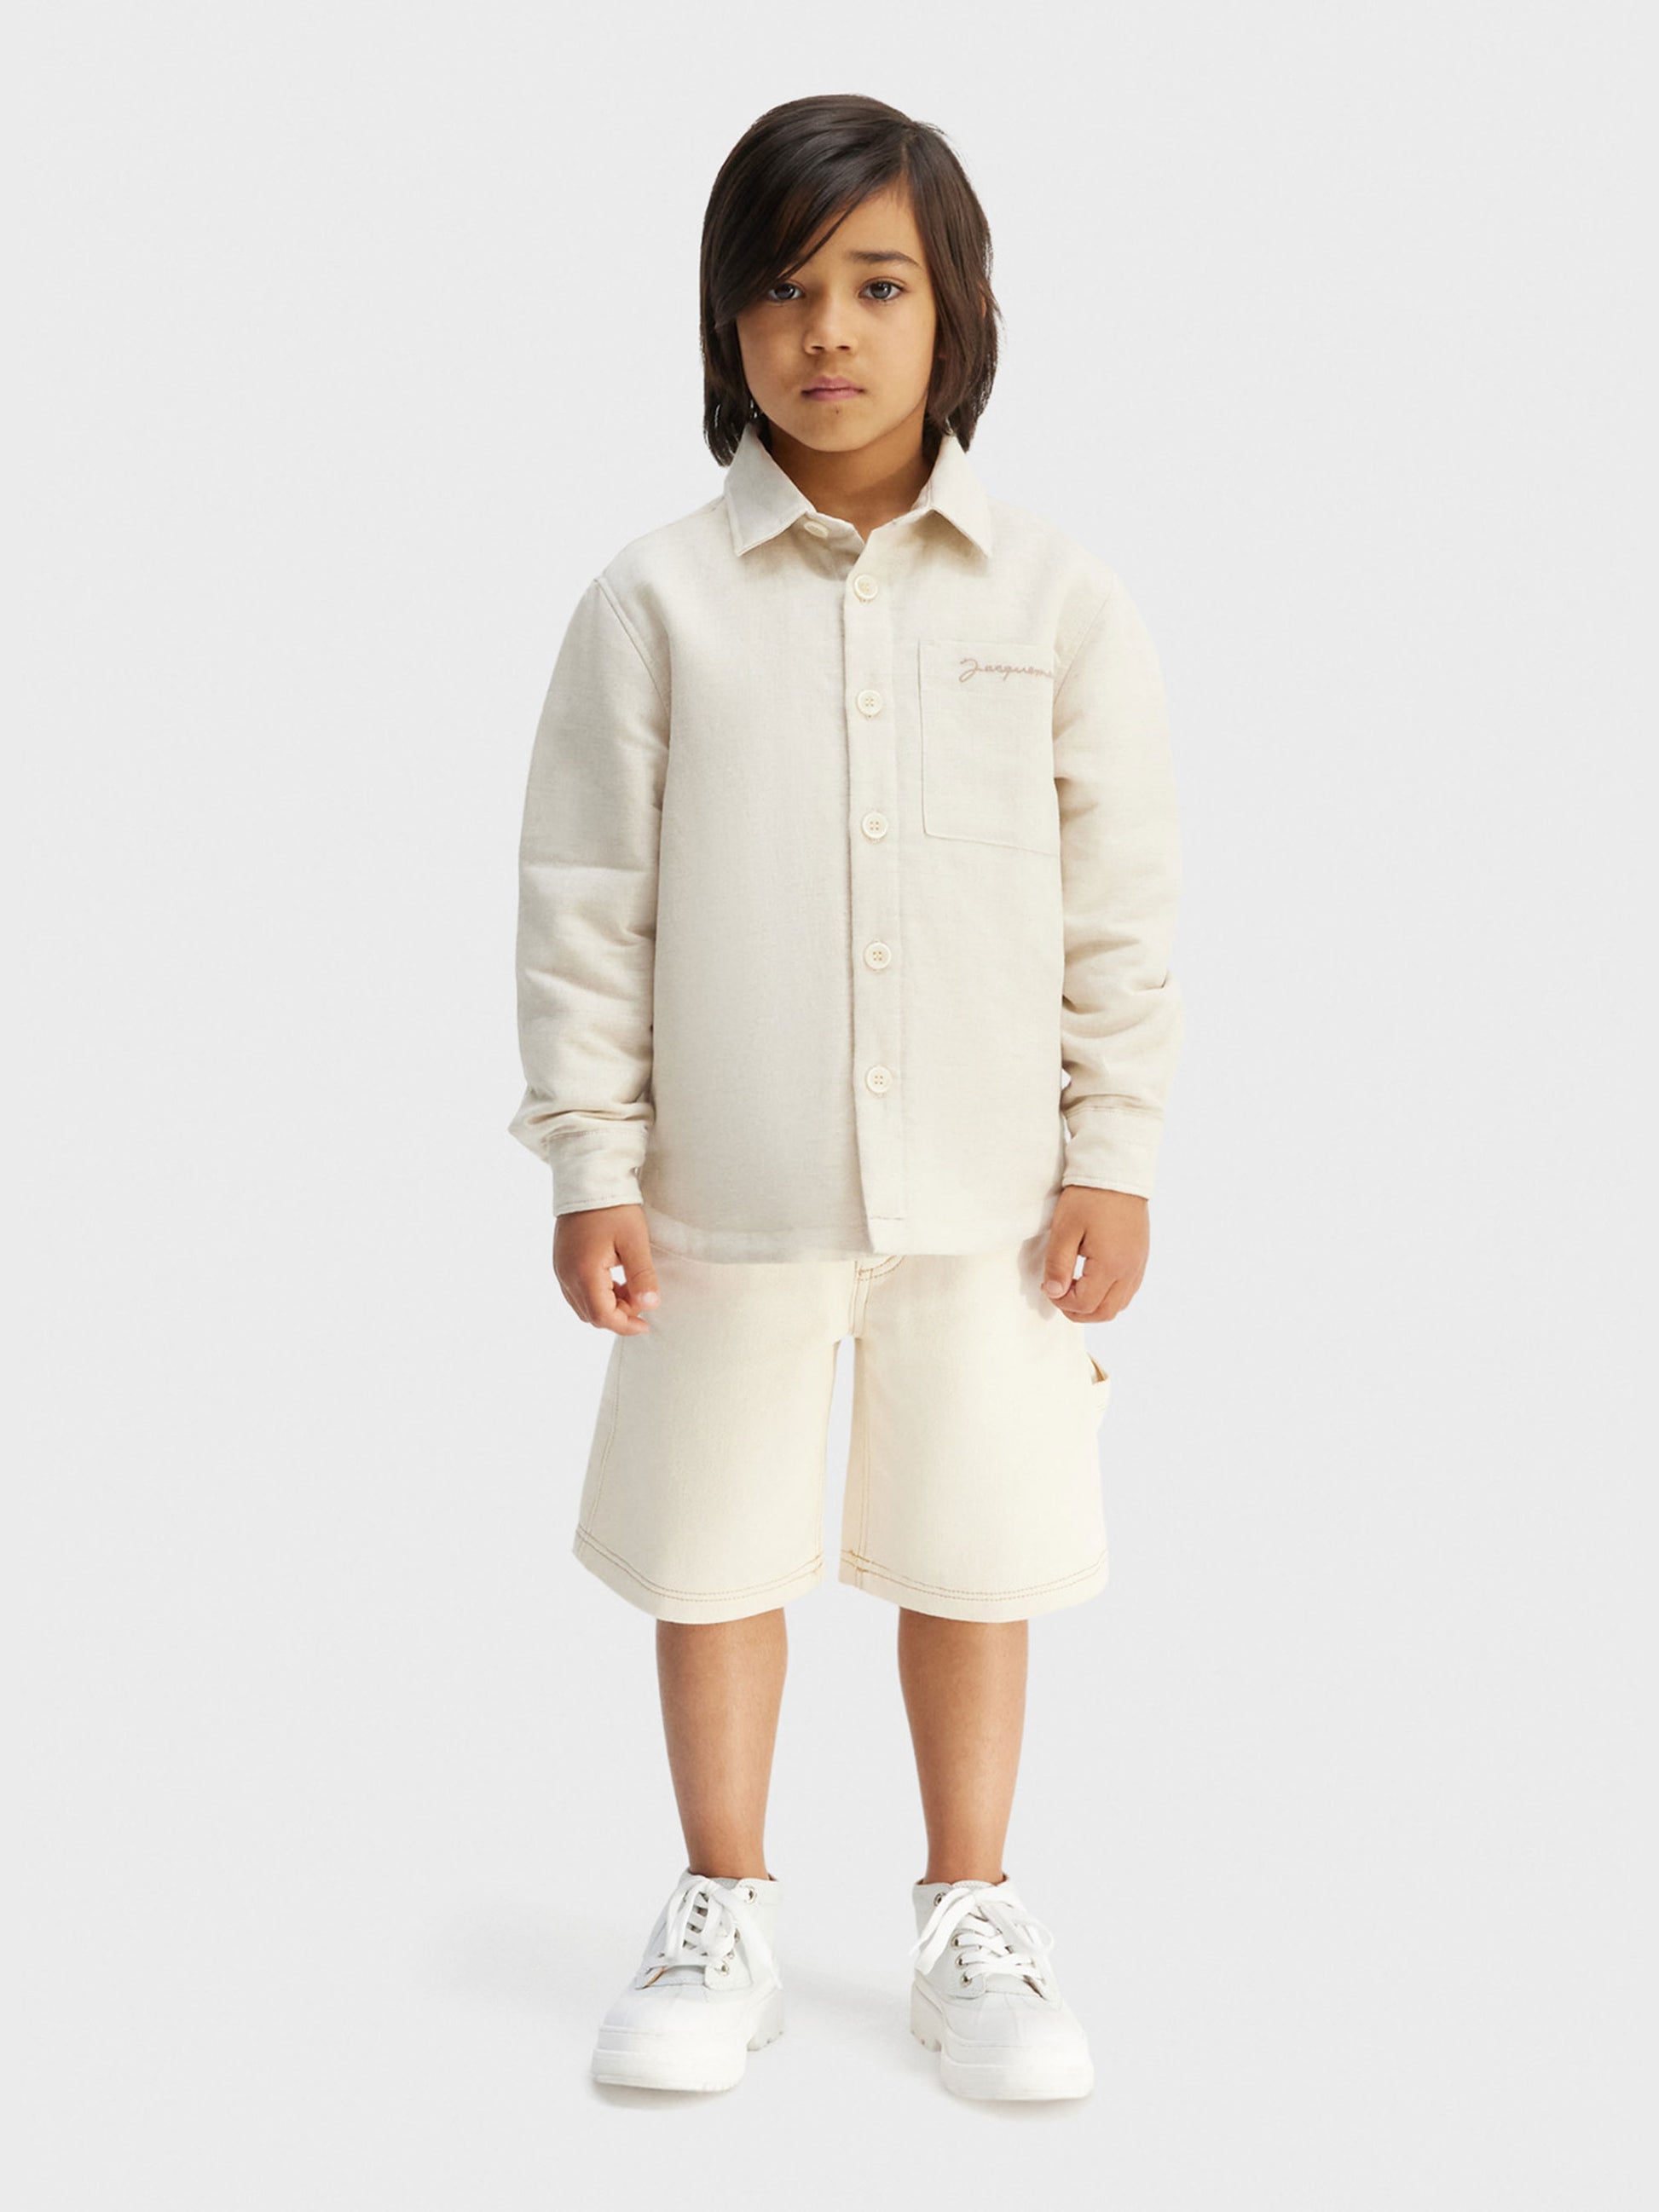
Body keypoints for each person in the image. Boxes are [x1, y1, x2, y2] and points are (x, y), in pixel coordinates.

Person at [508, 92, 1184, 2102]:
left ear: (952, 309)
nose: (827, 329)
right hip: (721, 1191)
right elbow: (584, 898)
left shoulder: (1053, 599)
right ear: (725, 322)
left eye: (877, 284)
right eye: (783, 288)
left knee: (978, 1549)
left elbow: (1121, 905)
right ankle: (721, 1902)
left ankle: (971, 1909)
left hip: (988, 1196)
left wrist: (1114, 1151)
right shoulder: (654, 602)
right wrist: (591, 1160)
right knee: (712, 1546)